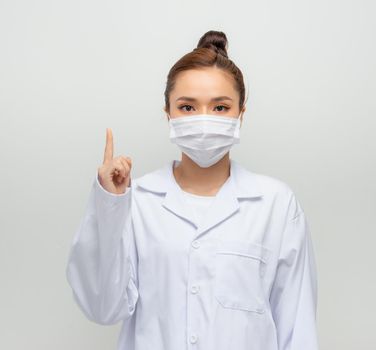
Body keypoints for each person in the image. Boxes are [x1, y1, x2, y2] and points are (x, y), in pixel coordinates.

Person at [66, 30, 319, 350]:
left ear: (241, 114)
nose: (203, 120)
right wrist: (111, 206)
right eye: (187, 107)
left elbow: (297, 329)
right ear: (168, 114)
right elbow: (102, 308)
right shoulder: (137, 201)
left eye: (220, 107)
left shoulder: (276, 205)